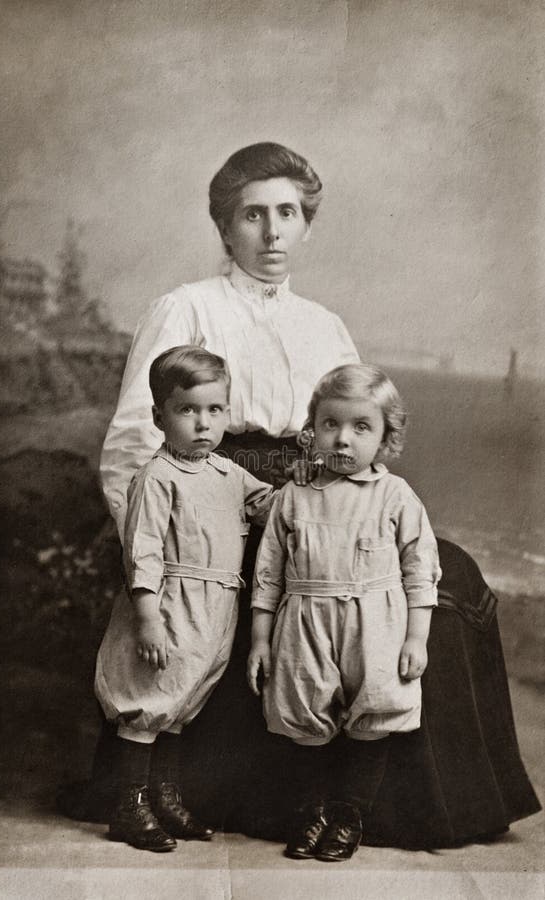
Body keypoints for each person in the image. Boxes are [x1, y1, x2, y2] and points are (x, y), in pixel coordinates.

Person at [59, 141, 540, 847]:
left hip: (310, 499)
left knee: (448, 574)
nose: (272, 231)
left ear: (306, 223)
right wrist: (152, 555)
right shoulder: (186, 308)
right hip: (210, 506)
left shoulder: (323, 325)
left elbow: (348, 434)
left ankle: (403, 802)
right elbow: (135, 442)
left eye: (287, 212)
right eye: (253, 214)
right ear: (225, 227)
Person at [248, 363, 440, 861]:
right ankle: (309, 814)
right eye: (330, 424)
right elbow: (267, 575)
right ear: (312, 429)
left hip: (376, 623)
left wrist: (416, 637)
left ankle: (349, 815)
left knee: (373, 715)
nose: (343, 440)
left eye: (361, 427)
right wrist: (260, 640)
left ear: (385, 437)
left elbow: (421, 571)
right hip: (304, 621)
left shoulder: (395, 496)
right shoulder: (295, 495)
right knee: (303, 714)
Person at [95, 345, 275, 851]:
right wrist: (147, 617)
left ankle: (163, 797)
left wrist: (309, 489)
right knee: (149, 702)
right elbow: (143, 553)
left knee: (181, 703)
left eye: (214, 410)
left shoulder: (226, 473)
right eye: (187, 410)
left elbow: (267, 505)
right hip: (170, 605)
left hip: (216, 608)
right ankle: (128, 806)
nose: (202, 424)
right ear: (159, 416)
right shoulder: (157, 477)